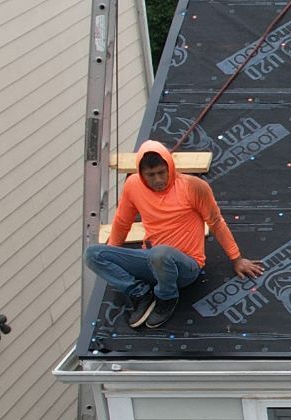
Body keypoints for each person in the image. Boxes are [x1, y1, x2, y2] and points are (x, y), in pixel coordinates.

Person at [87, 140, 261, 329]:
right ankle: (141, 293)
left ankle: (166, 298)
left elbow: (216, 222)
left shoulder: (193, 187)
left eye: (162, 172)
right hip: (151, 261)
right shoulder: (133, 186)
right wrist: (117, 258)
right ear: (141, 174)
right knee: (93, 254)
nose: (158, 180)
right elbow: (122, 222)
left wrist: (236, 258)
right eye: (151, 175)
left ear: (170, 167)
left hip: (185, 268)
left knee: (161, 254)